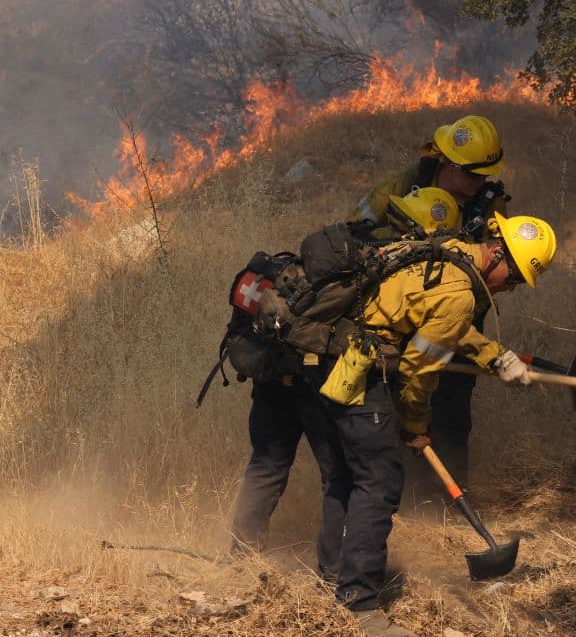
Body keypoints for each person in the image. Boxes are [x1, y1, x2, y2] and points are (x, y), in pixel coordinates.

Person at [308, 213, 556, 635]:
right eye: (513, 278)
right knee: (381, 480)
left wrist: (495, 356)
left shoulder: (455, 253)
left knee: (347, 474)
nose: (510, 289)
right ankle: (360, 602)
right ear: (498, 253)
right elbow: (419, 370)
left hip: (331, 356)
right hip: (363, 370)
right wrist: (415, 425)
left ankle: (334, 570)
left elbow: (445, 326)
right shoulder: (461, 295)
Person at [228, 187, 460, 558]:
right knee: (340, 475)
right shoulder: (387, 268)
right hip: (314, 381)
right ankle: (335, 569)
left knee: (267, 465)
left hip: (273, 370)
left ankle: (240, 557)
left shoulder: (345, 247)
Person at [349, 115, 511, 510]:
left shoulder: (491, 205)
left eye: (487, 176)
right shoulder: (404, 185)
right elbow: (355, 234)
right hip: (397, 318)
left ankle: (446, 505)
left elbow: (499, 269)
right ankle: (402, 502)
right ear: (450, 165)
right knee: (396, 404)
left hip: (456, 318)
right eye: (475, 175)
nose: (482, 184)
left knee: (452, 411)